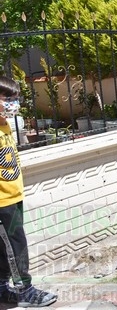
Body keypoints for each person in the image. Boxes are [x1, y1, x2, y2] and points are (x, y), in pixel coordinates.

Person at [0, 76, 58, 307]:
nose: (14, 104)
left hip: (13, 195)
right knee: (15, 247)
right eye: (8, 99)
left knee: (7, 247)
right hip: (2, 201)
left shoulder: (4, 125)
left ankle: (2, 288)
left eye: (16, 99)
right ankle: (25, 290)